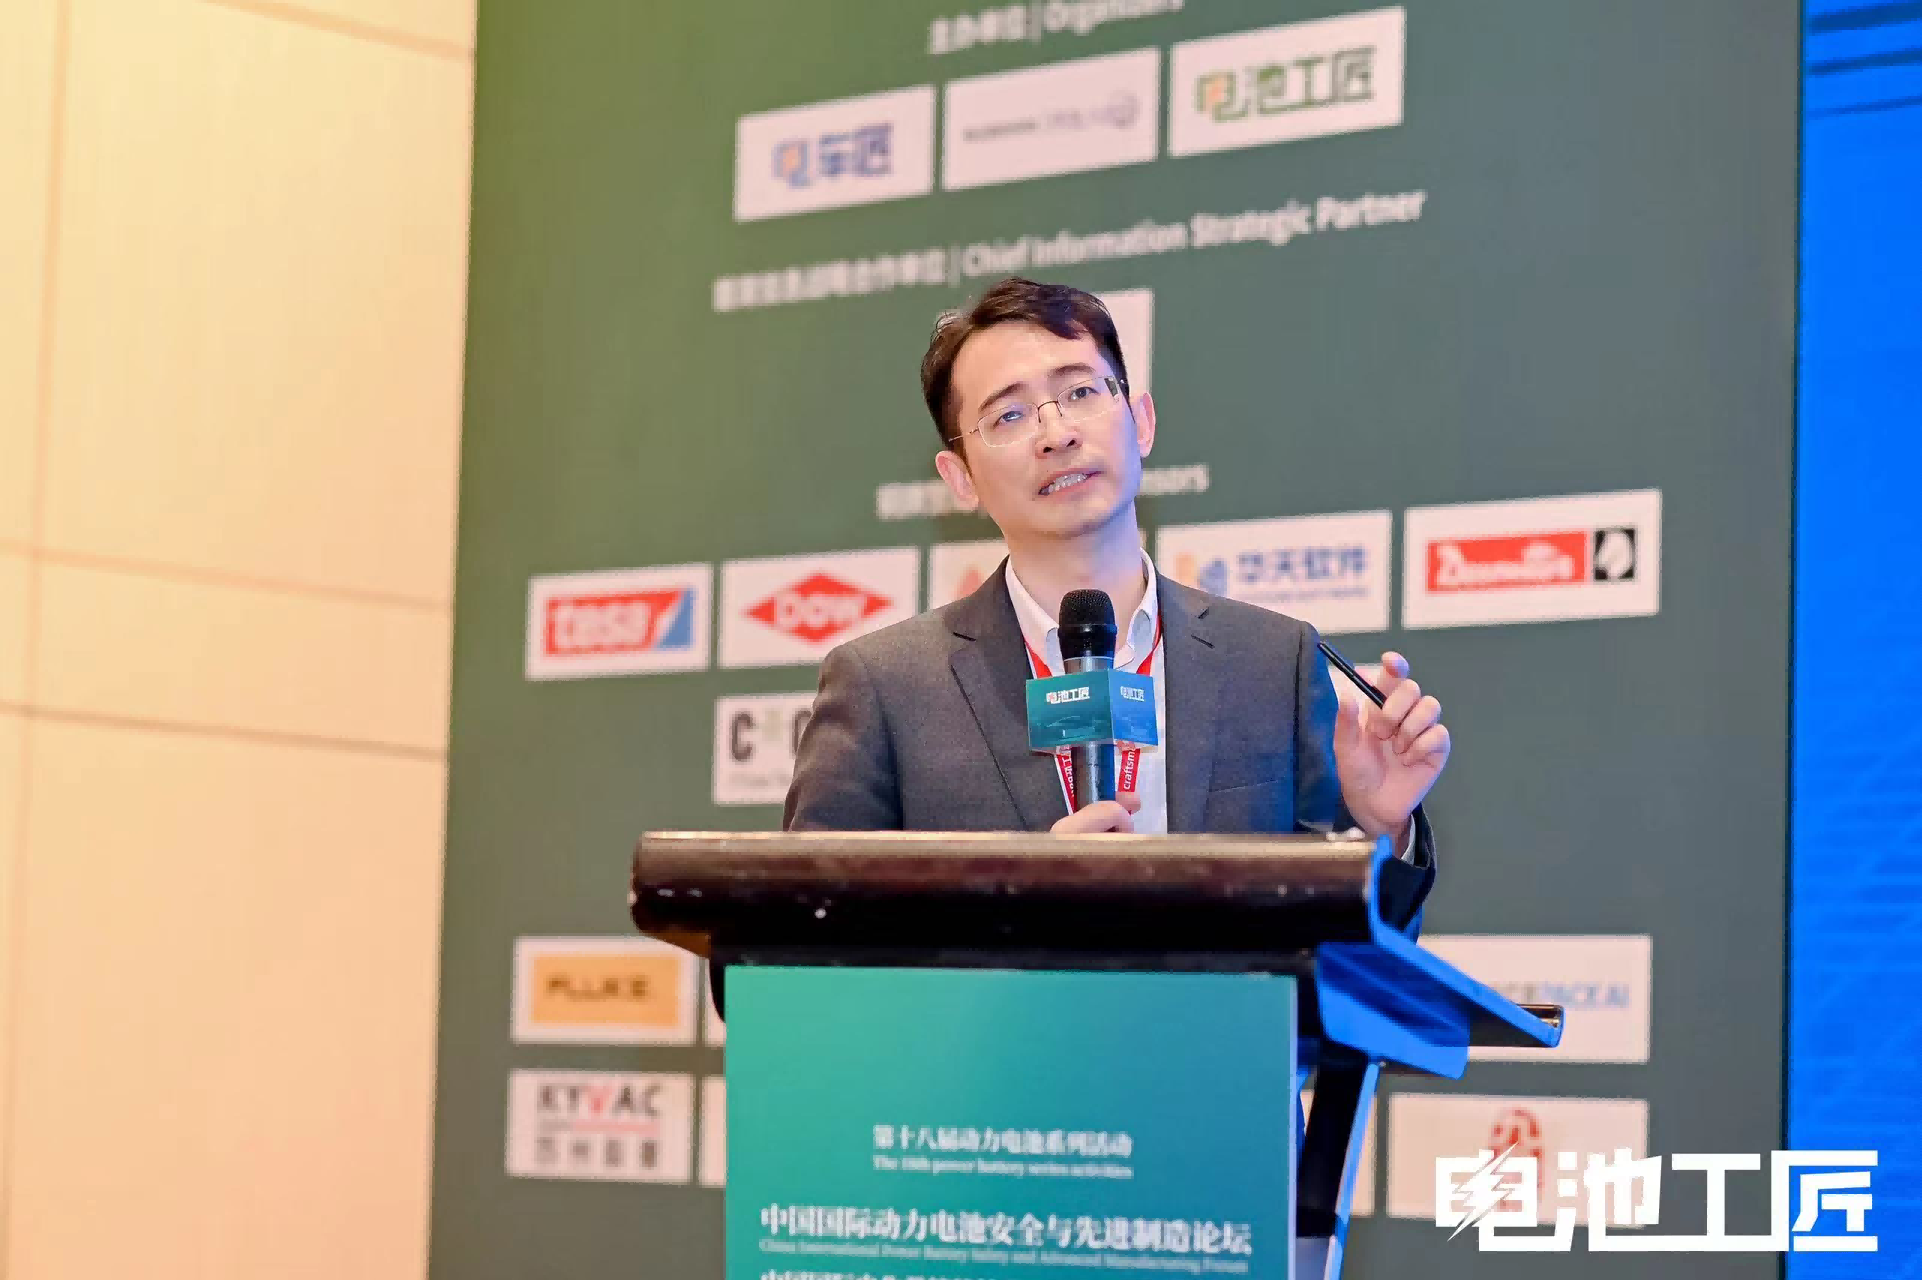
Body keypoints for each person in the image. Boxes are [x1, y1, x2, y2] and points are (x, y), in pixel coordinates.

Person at [783, 276, 1448, 926]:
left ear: (1142, 421)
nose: (1056, 433)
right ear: (961, 479)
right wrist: (1017, 910)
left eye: (1079, 391)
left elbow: (1346, 964)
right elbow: (795, 948)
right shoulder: (886, 687)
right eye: (1008, 415)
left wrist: (1379, 829)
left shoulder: (1274, 660)